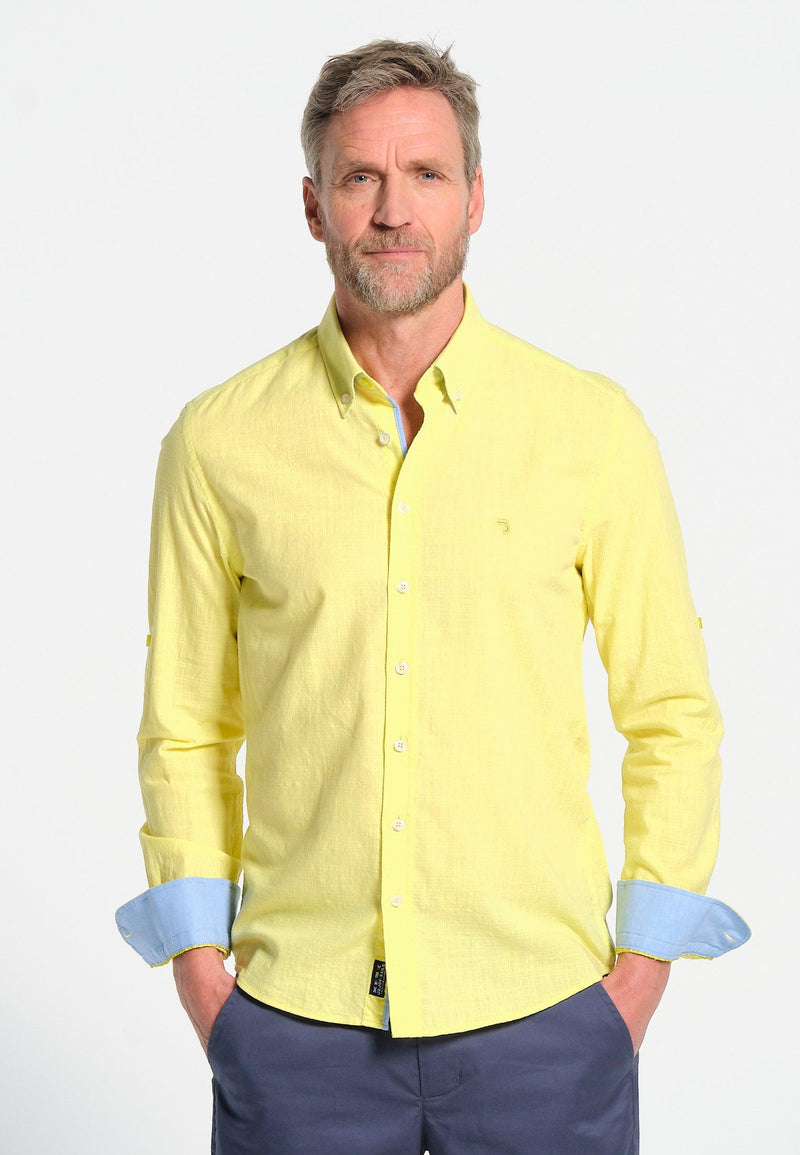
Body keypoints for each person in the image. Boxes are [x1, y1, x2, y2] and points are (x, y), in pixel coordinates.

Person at [116, 38, 750, 1154]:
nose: (393, 210)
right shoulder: (218, 442)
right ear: (312, 206)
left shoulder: (589, 429)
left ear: (476, 199)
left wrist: (638, 977)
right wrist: (207, 984)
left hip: (547, 1020)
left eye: (425, 174)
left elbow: (671, 710)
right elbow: (186, 726)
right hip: (295, 1026)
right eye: (359, 176)